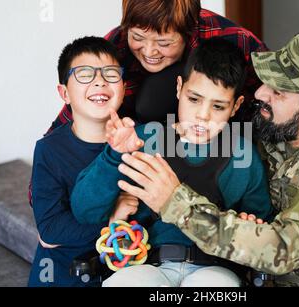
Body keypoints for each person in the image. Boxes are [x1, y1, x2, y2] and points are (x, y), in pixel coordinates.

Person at [112, 32, 299, 287]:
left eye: (278, 91)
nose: (260, 92)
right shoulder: (276, 128)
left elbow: (282, 248)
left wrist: (173, 200)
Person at [45, 0, 299, 175]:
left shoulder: (229, 37)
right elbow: (77, 110)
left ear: (189, 32)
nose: (149, 52)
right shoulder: (117, 46)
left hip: (225, 150)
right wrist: (47, 170)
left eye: (164, 43)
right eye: (139, 39)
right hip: (151, 149)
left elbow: (295, 80)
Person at [70, 38, 274, 287]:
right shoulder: (141, 138)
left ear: (235, 106)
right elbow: (84, 211)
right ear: (179, 88)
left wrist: (249, 224)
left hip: (214, 268)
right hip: (149, 263)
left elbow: (261, 228)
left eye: (218, 106)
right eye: (194, 99)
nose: (203, 115)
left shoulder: (244, 156)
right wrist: (114, 155)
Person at [28, 36, 127, 287]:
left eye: (111, 73)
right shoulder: (48, 149)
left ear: (124, 87)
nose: (100, 81)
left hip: (121, 271)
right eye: (84, 74)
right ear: (65, 93)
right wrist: (113, 220)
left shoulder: (134, 141)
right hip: (61, 273)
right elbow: (51, 229)